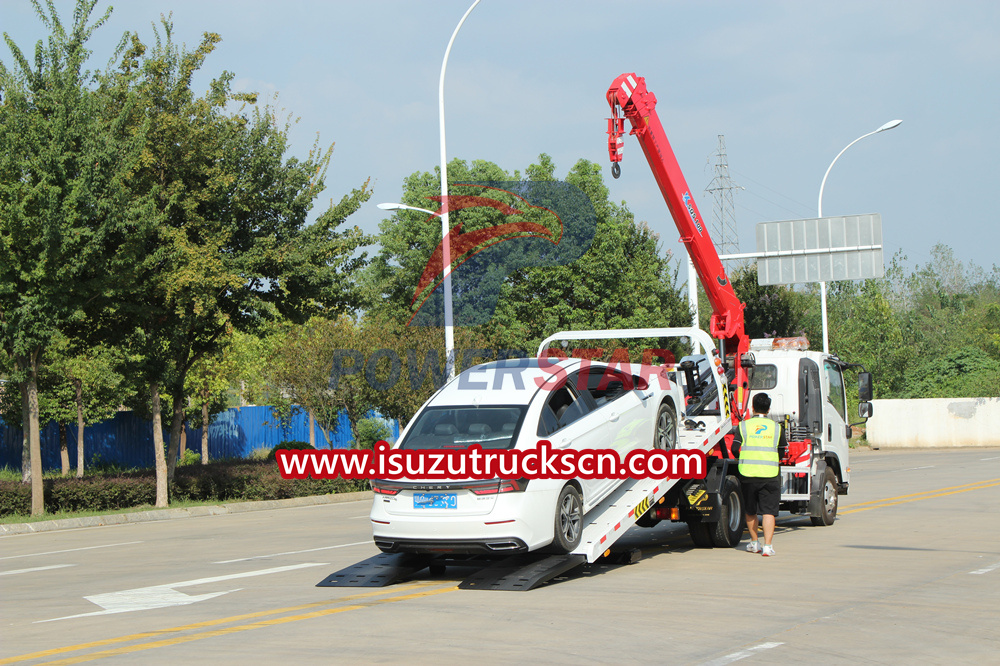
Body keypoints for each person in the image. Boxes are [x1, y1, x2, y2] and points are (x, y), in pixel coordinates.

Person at [732, 392, 787, 557]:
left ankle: (754, 543)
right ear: (769, 409)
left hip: (748, 474)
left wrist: (744, 459)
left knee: (750, 511)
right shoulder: (777, 428)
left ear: (752, 408)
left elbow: (735, 449)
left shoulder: (744, 426)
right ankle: (768, 547)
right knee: (769, 512)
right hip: (770, 474)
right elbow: (781, 452)